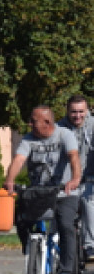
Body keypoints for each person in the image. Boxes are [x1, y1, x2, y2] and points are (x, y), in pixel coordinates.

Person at [4, 105, 82, 274]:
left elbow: (73, 157)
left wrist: (75, 179)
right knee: (21, 219)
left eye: (33, 121)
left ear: (47, 122)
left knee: (65, 225)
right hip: (38, 192)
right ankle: (30, 249)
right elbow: (19, 160)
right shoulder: (28, 139)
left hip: (64, 192)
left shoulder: (64, 135)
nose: (29, 123)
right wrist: (9, 180)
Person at [57, 94, 94, 259]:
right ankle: (55, 246)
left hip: (89, 177)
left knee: (88, 200)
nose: (77, 116)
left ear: (87, 111)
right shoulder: (59, 128)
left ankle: (90, 246)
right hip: (66, 181)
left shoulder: (92, 126)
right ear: (67, 111)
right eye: (73, 112)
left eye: (81, 111)